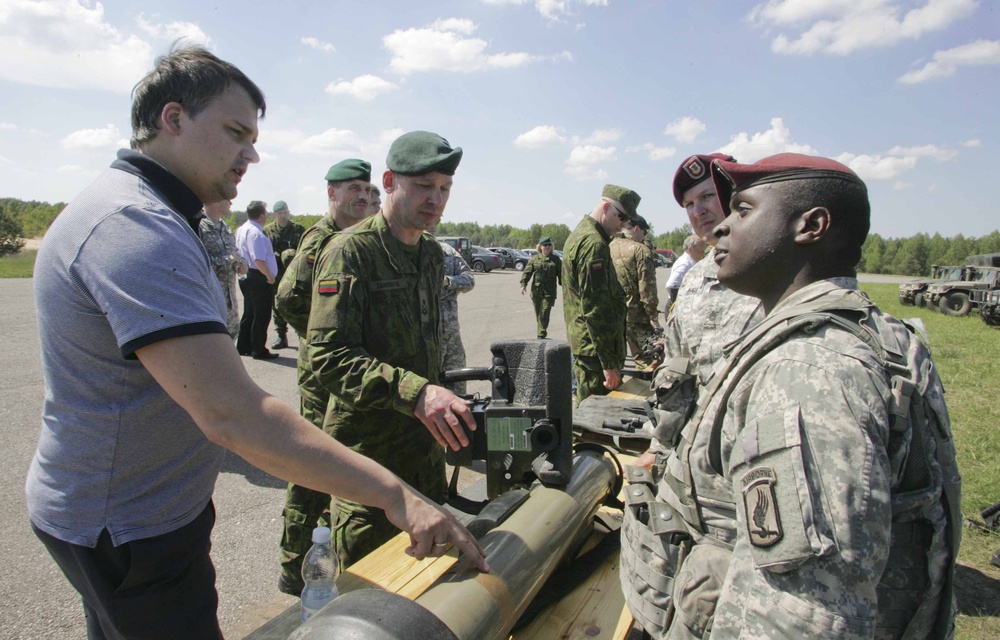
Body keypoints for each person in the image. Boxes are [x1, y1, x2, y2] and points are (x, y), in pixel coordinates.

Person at [26, 47, 487, 640]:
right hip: (127, 522)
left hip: (142, 510)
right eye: (236, 132)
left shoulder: (155, 215)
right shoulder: (134, 227)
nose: (252, 154)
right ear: (173, 119)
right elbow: (234, 414)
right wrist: (395, 494)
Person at [621, 154, 960, 639]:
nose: (718, 228)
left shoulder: (808, 371)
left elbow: (798, 613)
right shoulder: (867, 333)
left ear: (811, 225)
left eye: (742, 210)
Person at [307, 131, 474, 569]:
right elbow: (328, 356)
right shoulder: (350, 252)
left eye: (444, 189)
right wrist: (417, 393)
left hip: (423, 456)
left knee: (425, 586)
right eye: (423, 186)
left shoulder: (432, 255)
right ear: (388, 181)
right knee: (367, 599)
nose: (435, 199)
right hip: (369, 465)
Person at [274, 157, 377, 595]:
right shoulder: (321, 240)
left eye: (367, 189)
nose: (362, 196)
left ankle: (325, 541)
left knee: (340, 458)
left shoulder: (358, 239)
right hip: (323, 379)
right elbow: (287, 299)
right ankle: (293, 561)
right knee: (314, 463)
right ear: (331, 193)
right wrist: (320, 336)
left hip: (349, 372)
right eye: (352, 188)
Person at [562, 184, 636, 403]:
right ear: (606, 207)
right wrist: (609, 364)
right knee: (594, 422)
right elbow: (595, 309)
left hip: (589, 348)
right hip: (596, 354)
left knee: (588, 412)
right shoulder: (594, 245)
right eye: (621, 217)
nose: (623, 226)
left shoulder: (580, 234)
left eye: (627, 221)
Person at [610, 214, 660, 369]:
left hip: (613, 315)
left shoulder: (608, 246)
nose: (643, 237)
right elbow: (647, 288)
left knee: (616, 362)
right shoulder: (641, 250)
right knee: (649, 360)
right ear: (637, 229)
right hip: (636, 316)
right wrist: (653, 317)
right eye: (644, 233)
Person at [235, 200, 279, 359]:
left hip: (246, 275)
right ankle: (258, 349)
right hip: (257, 275)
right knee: (261, 314)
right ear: (261, 216)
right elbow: (258, 259)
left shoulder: (242, 229)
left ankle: (243, 345)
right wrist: (269, 275)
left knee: (250, 313)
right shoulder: (256, 233)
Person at [198, 199, 247, 338]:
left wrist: (242, 264)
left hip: (230, 299)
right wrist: (228, 260)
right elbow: (199, 262)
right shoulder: (200, 227)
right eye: (228, 200)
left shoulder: (225, 227)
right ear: (217, 201)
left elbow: (235, 253)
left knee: (231, 336)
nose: (231, 204)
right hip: (211, 300)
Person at [264, 200, 305, 350]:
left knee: (299, 302)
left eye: (285, 212)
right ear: (274, 214)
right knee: (278, 305)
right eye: (280, 213)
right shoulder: (268, 231)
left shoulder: (298, 229)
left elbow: (306, 248)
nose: (283, 215)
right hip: (277, 275)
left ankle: (302, 335)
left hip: (295, 274)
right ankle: (281, 336)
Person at [438, 238, 476, 395]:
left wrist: (448, 281)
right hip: (425, 337)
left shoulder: (448, 251)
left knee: (458, 384)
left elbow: (469, 279)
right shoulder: (407, 250)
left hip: (451, 334)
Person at [519, 236, 561, 338]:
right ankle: (541, 331)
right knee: (538, 314)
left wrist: (566, 286)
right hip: (536, 291)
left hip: (549, 292)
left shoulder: (556, 260)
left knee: (544, 312)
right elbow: (527, 272)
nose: (547, 247)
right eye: (545, 245)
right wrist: (523, 284)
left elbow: (562, 275)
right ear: (540, 247)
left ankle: (541, 335)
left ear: (551, 247)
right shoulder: (534, 259)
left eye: (549, 245)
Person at [664, 233, 706, 309]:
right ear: (690, 249)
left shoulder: (692, 262)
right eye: (701, 251)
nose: (703, 254)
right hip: (678, 307)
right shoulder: (685, 264)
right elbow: (672, 285)